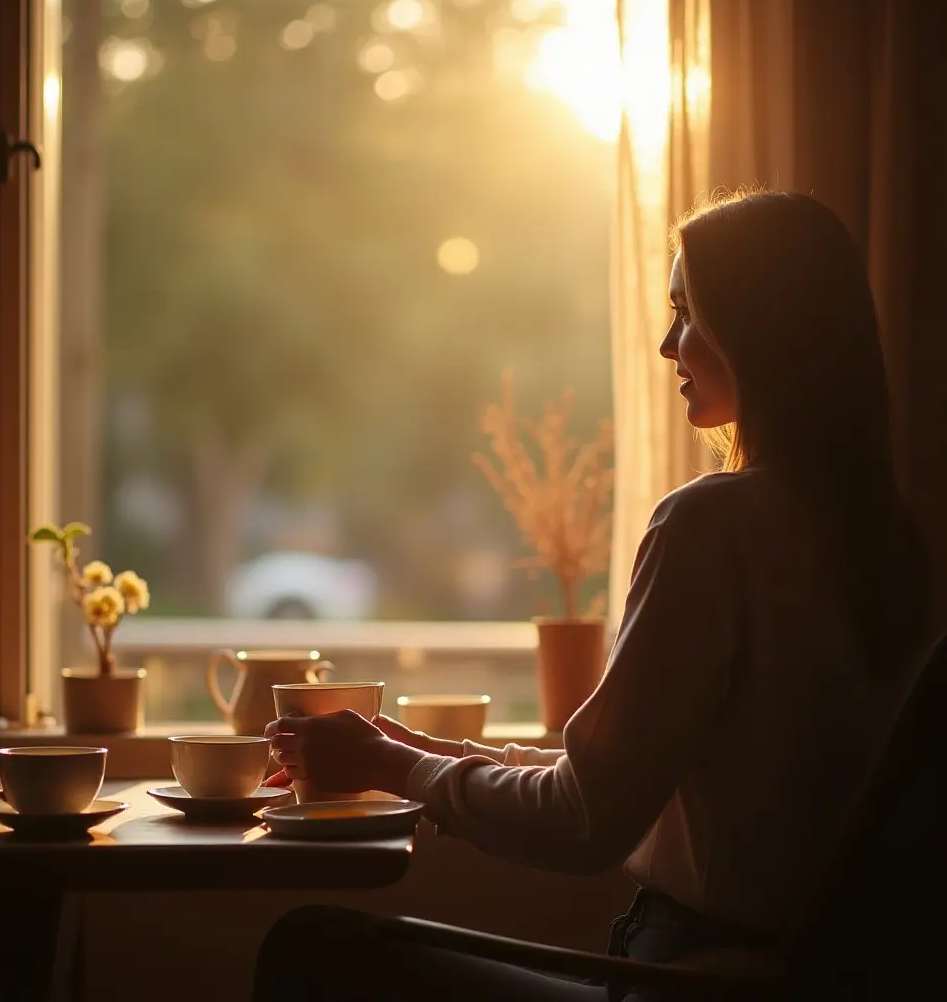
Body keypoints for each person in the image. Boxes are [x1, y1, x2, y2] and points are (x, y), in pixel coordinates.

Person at [253, 191, 930, 1001]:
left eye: (689, 312)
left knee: (315, 948)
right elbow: (627, 781)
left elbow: (585, 823)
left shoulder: (711, 526)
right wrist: (425, 758)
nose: (666, 344)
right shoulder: (888, 536)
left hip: (696, 978)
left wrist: (396, 767)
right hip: (808, 975)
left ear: (760, 328)